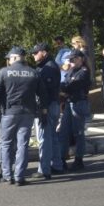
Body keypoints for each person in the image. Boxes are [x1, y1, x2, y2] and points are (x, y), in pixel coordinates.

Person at [0, 47, 46, 186]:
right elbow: (43, 94)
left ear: (14, 57)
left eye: (9, 58)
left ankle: (7, 175)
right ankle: (19, 176)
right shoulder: (33, 73)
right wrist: (44, 112)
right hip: (28, 113)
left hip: (9, 112)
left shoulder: (4, 72)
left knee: (6, 143)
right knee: (23, 145)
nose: (8, 60)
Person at [31, 43, 63, 179]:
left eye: (35, 52)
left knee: (44, 138)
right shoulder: (48, 66)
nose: (33, 55)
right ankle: (57, 165)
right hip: (52, 105)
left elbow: (45, 92)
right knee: (52, 137)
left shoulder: (48, 68)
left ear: (43, 52)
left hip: (47, 106)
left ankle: (44, 169)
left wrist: (42, 109)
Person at [58, 50, 91, 171]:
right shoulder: (72, 70)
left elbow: (70, 87)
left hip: (78, 103)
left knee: (78, 133)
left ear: (80, 59)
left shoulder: (83, 72)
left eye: (73, 59)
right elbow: (64, 83)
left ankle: (79, 159)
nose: (71, 61)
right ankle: (62, 159)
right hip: (69, 103)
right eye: (70, 59)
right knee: (64, 132)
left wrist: (61, 90)